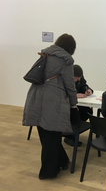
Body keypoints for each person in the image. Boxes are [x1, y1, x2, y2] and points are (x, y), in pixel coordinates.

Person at [23, 33, 78, 179]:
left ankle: (62, 161)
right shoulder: (65, 60)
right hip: (52, 101)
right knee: (52, 137)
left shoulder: (45, 54)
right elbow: (70, 85)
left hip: (35, 97)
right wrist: (74, 104)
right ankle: (48, 172)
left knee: (46, 135)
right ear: (70, 48)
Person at [63, 64, 93, 147]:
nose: (79, 79)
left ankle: (74, 133)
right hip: (66, 106)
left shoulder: (80, 77)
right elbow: (62, 94)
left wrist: (87, 90)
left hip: (75, 104)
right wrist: (75, 95)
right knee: (75, 113)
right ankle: (69, 136)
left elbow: (83, 85)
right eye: (77, 78)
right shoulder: (63, 79)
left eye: (80, 77)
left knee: (88, 111)